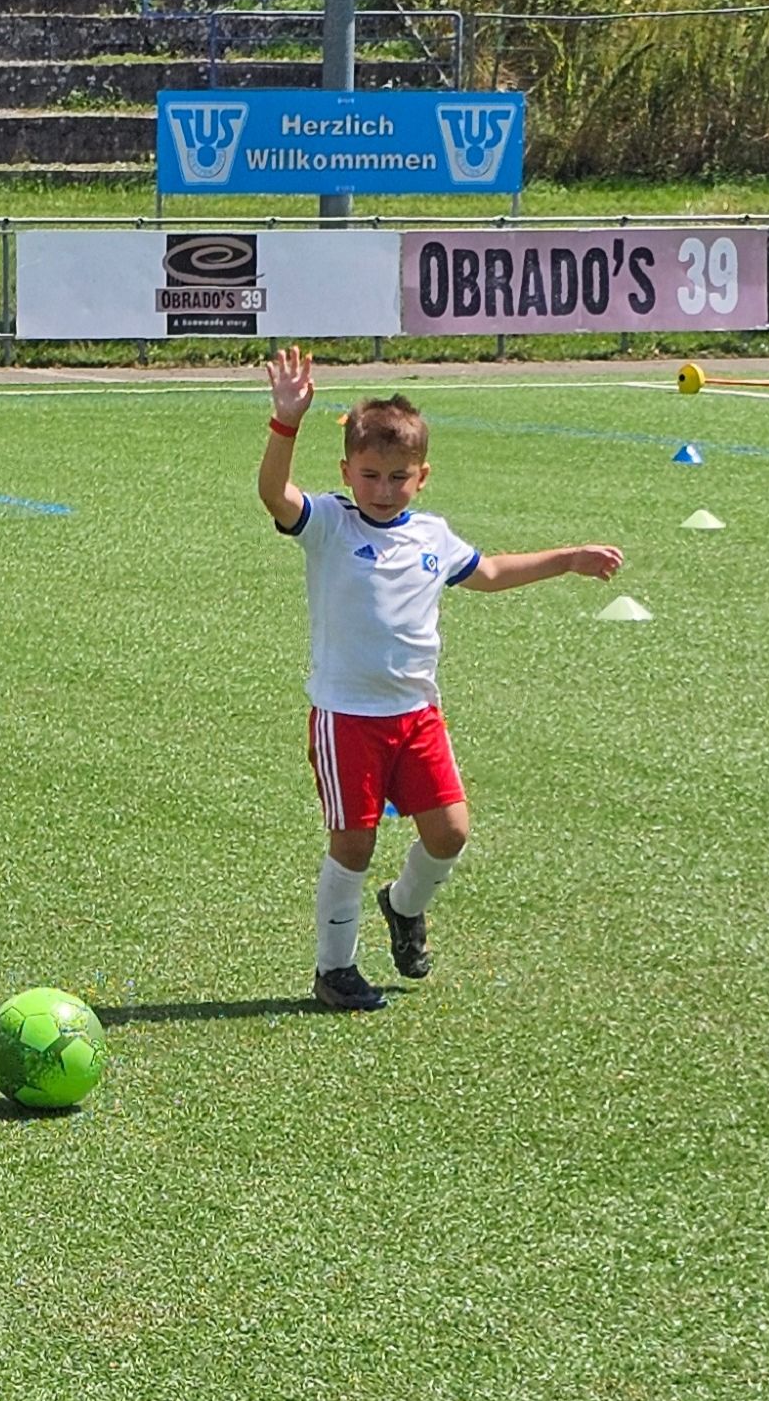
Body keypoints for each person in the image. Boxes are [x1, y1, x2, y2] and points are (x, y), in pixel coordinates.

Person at [260, 346, 623, 1012]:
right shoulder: (331, 526)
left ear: (422, 477)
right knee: (354, 841)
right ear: (347, 471)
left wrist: (567, 558)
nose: (383, 488)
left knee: (450, 832)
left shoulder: (432, 535)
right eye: (370, 474)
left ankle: (403, 907)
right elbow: (274, 495)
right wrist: (285, 424)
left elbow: (488, 572)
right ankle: (333, 968)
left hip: (417, 714)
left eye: (398, 476)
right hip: (348, 716)